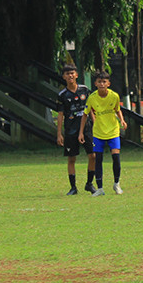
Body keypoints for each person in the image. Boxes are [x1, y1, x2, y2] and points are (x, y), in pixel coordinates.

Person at [79, 71, 127, 196]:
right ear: (95, 83)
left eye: (104, 82)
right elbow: (85, 115)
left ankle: (116, 184)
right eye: (99, 82)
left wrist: (122, 120)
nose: (102, 84)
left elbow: (118, 110)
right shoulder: (92, 98)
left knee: (115, 156)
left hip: (113, 131)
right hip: (98, 133)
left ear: (108, 84)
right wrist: (81, 133)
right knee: (98, 159)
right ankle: (100, 188)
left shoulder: (114, 96)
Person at [56, 65, 95, 195]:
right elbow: (60, 115)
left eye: (72, 73)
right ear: (64, 77)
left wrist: (96, 124)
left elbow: (91, 109)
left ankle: (89, 184)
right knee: (71, 159)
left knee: (93, 155)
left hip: (87, 129)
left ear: (76, 75)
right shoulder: (62, 95)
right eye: (67, 74)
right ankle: (73, 187)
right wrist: (59, 134)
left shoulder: (84, 90)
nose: (70, 76)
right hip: (71, 130)